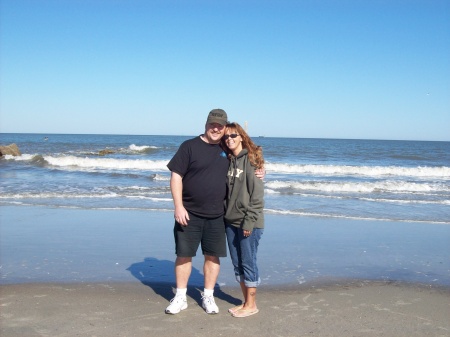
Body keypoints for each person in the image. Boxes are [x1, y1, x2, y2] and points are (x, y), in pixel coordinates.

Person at [165, 109, 230, 315]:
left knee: (213, 256)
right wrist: (178, 206)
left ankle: (208, 296)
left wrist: (260, 170)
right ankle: (181, 297)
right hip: (189, 213)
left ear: (225, 127)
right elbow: (176, 177)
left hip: (218, 214)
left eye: (220, 125)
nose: (216, 128)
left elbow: (249, 162)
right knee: (184, 255)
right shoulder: (189, 147)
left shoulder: (228, 147)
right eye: (213, 124)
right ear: (206, 124)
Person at [222, 122, 265, 318]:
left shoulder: (252, 159)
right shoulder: (229, 159)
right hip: (230, 221)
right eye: (226, 136)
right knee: (237, 263)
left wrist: (248, 221)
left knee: (248, 262)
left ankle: (252, 304)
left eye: (233, 135)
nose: (229, 139)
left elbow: (257, 197)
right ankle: (245, 301)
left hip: (249, 222)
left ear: (241, 137)